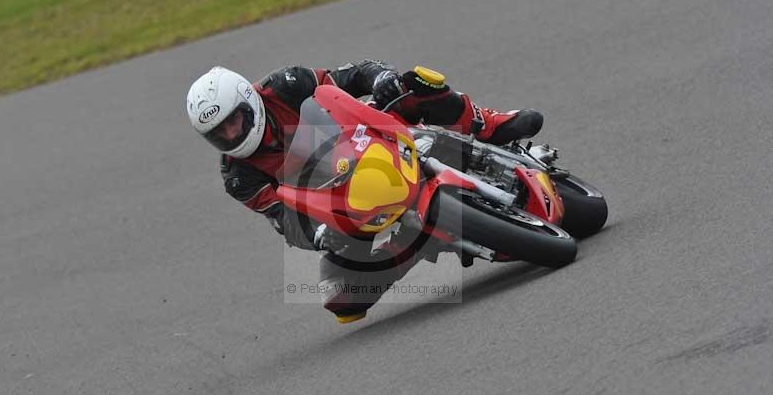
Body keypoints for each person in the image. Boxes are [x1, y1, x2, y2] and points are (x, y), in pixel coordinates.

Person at [186, 61, 543, 323]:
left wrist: (381, 78)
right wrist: (319, 234)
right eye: (220, 133)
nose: (231, 135)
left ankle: (490, 123)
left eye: (234, 121)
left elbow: (352, 75)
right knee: (342, 298)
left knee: (410, 85)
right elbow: (285, 219)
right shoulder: (238, 177)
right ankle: (422, 242)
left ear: (249, 100)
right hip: (345, 204)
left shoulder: (285, 85)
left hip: (365, 139)